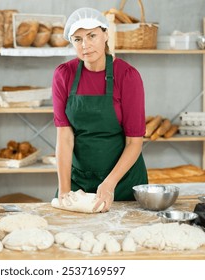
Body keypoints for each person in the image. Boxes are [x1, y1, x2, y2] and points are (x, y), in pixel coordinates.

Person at [52, 7, 148, 213]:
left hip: (122, 182)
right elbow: (65, 136)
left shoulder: (127, 76)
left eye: (91, 35)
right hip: (79, 182)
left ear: (105, 34)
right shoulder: (64, 75)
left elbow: (134, 142)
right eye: (77, 39)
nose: (85, 45)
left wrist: (109, 183)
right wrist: (65, 190)